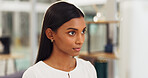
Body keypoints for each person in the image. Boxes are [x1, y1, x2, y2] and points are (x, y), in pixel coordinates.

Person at [22, 1, 97, 78]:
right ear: (50, 34)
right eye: (72, 33)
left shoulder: (88, 69)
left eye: (83, 32)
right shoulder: (34, 74)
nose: (80, 41)